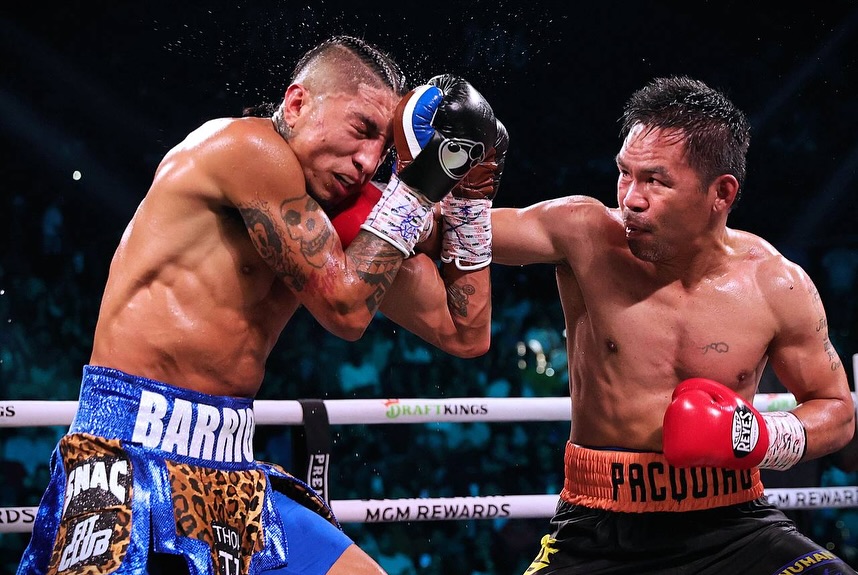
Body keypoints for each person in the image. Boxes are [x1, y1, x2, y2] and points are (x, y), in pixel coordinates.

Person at [17, 35, 502, 575]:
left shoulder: (338, 205)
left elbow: (467, 333)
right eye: (361, 129)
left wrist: (471, 196)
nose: (369, 162)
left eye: (384, 150)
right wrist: (420, 184)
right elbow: (346, 311)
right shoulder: (246, 149)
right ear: (297, 104)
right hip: (130, 450)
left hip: (231, 465)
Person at [490, 75, 857, 573]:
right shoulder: (583, 234)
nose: (631, 198)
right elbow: (449, 234)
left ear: (721, 193)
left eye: (656, 181)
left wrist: (760, 437)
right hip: (597, 530)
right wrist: (431, 175)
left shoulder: (776, 284)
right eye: (625, 174)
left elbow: (837, 410)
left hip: (734, 525)